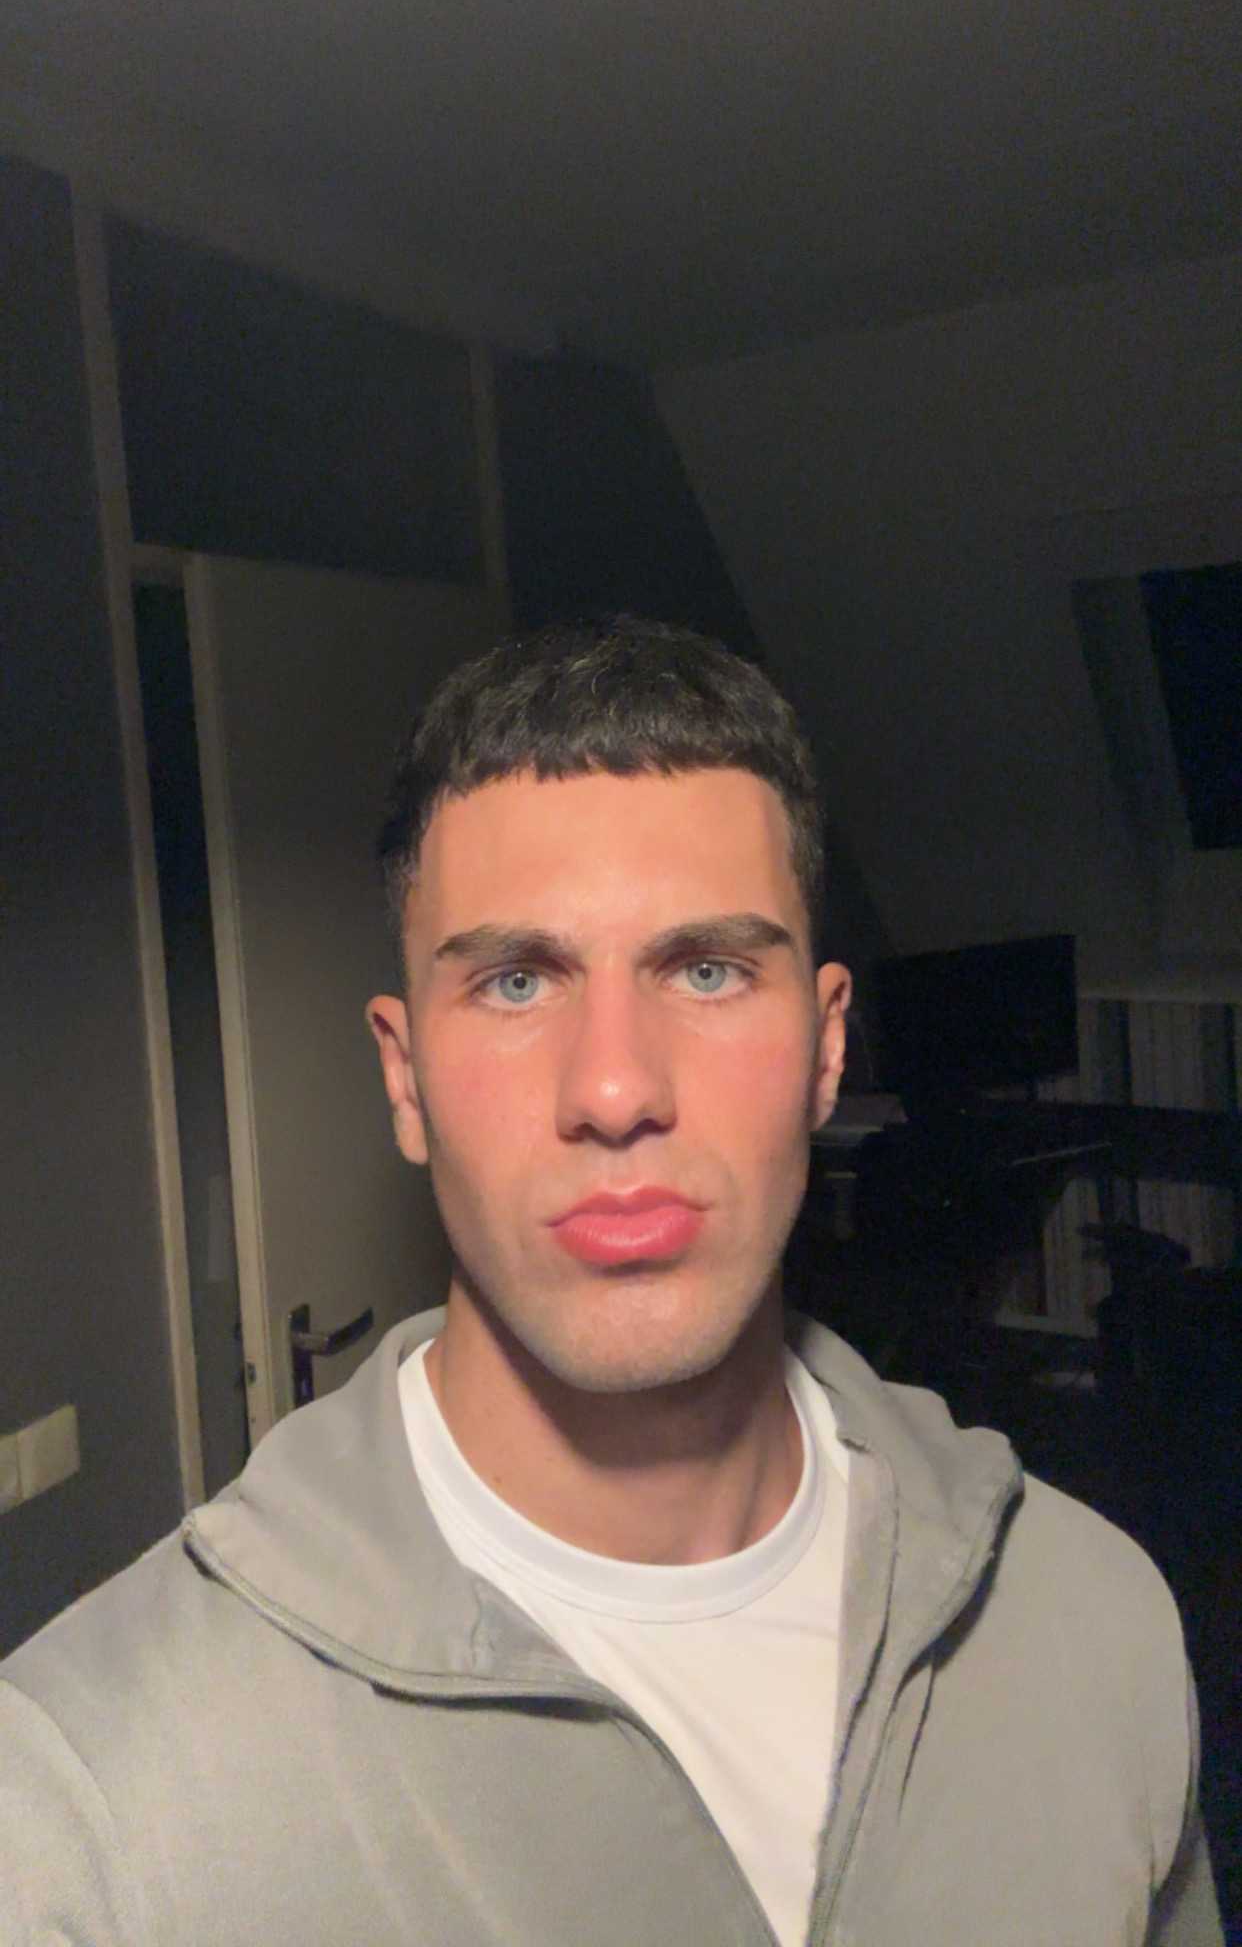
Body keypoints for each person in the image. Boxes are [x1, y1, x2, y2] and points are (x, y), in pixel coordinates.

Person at [0, 617, 1222, 1947]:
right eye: (516, 982)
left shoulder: (1089, 1622)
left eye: (707, 970)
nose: (616, 1089)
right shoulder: (92, 1809)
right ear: (404, 1079)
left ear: (827, 1050)